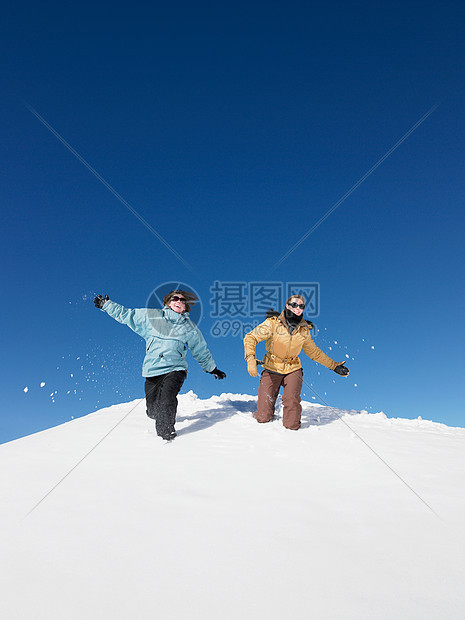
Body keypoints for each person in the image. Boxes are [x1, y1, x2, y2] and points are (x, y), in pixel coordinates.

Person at [94, 290, 226, 441]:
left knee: (167, 399)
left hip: (176, 369)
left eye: (183, 300)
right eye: (175, 298)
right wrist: (107, 305)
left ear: (185, 307)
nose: (179, 301)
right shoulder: (152, 317)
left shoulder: (189, 327)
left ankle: (166, 436)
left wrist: (212, 368)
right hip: (152, 370)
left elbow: (200, 349)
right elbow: (127, 315)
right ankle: (160, 417)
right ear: (168, 302)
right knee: (152, 410)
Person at [243, 294, 349, 430]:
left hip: (292, 369)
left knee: (292, 419)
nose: (298, 308)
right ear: (287, 306)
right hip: (271, 367)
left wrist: (334, 366)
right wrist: (250, 358)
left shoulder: (304, 330)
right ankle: (266, 413)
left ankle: (294, 438)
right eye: (294, 305)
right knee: (263, 417)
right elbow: (251, 337)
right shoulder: (273, 323)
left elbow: (314, 352)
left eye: (301, 306)